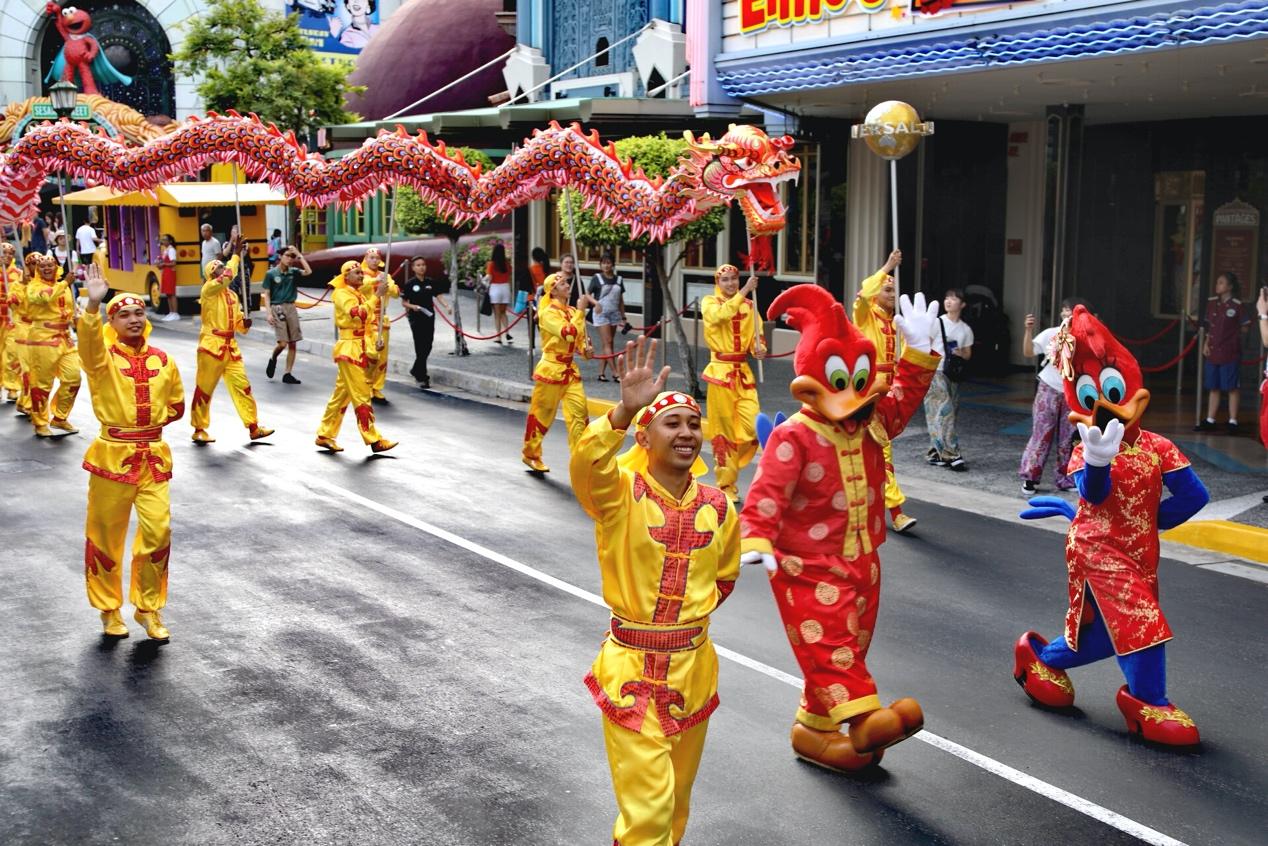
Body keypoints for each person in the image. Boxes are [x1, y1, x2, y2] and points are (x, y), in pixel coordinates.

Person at [741, 285, 941, 772]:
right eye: (838, 377)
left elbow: (902, 399)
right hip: (805, 563)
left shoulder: (872, 424)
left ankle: (814, 730)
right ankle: (864, 719)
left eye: (859, 377)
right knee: (830, 643)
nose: (852, 392)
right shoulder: (795, 436)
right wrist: (756, 537)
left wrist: (915, 353)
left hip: (863, 559)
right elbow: (767, 492)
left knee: (852, 639)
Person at [569, 336, 739, 846]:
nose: (687, 433)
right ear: (645, 437)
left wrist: (686, 621)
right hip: (633, 674)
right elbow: (586, 468)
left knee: (677, 805)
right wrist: (623, 410)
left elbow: (724, 577)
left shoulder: (720, 505)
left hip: (694, 671)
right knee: (649, 813)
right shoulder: (619, 494)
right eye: (673, 423)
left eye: (693, 423)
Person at [1014, 306, 1209, 746]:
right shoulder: (1088, 448)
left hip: (1139, 551)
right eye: (1089, 398)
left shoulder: (1159, 447)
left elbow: (1196, 496)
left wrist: (1147, 522)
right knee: (1144, 619)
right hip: (1097, 546)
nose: (1104, 405)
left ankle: (1042, 660)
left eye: (1114, 389)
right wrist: (1099, 462)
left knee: (1102, 636)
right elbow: (1094, 496)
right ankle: (1148, 702)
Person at [78, 263, 186, 641]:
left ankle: (148, 608)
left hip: (153, 459)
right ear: (113, 322)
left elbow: (176, 405)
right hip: (112, 457)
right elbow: (88, 349)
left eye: (139, 312)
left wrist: (148, 426)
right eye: (124, 314)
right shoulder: (102, 358)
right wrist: (92, 307)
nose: (134, 319)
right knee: (106, 535)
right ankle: (109, 609)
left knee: (158, 533)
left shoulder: (163, 360)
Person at [853, 249, 916, 532]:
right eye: (887, 289)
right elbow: (864, 293)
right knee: (883, 450)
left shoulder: (896, 323)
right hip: (868, 393)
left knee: (868, 453)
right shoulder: (865, 316)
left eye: (894, 290)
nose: (892, 294)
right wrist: (888, 266)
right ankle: (897, 511)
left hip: (890, 392)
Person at [190, 248, 274, 444]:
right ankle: (199, 428)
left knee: (243, 387)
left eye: (222, 266)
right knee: (204, 389)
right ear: (212, 275)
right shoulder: (209, 289)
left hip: (231, 347)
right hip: (211, 346)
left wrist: (243, 325)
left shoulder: (233, 297)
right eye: (218, 267)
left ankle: (253, 427)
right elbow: (230, 274)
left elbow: (237, 323)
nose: (222, 268)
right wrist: (236, 254)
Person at [701, 264, 765, 505]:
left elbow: (757, 335)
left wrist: (759, 349)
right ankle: (726, 483)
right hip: (720, 374)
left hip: (744, 375)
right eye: (725, 280)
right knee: (723, 432)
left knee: (752, 427)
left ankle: (732, 464)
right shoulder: (710, 303)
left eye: (734, 279)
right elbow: (720, 316)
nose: (730, 284)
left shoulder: (749, 306)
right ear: (718, 282)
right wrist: (745, 292)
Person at [316, 261, 396, 454]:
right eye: (357, 273)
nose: (362, 276)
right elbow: (358, 314)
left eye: (361, 272)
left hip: (359, 346)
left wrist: (374, 341)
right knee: (361, 394)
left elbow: (366, 323)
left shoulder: (358, 294)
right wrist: (376, 296)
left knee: (340, 397)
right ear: (346, 277)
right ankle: (374, 439)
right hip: (349, 348)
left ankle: (324, 435)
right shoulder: (342, 293)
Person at [521, 269, 597, 473]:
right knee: (542, 415)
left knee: (579, 414)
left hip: (570, 371)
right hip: (551, 371)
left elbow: (579, 340)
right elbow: (569, 333)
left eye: (566, 282)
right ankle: (531, 454)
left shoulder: (572, 311)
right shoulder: (547, 314)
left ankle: (580, 460)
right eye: (562, 284)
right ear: (552, 291)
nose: (567, 286)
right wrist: (581, 311)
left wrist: (586, 350)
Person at [1019, 298, 1089, 494]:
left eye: (1072, 312)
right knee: (1041, 434)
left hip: (1071, 393)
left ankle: (1066, 478)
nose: (1067, 315)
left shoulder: (1084, 340)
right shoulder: (1051, 334)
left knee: (1069, 438)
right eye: (1065, 311)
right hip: (1048, 388)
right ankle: (1030, 477)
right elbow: (1027, 352)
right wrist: (1028, 330)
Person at [24, 253, 82, 437]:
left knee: (73, 378)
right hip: (43, 339)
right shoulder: (33, 286)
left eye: (51, 265)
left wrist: (77, 319)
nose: (47, 268)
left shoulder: (64, 287)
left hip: (65, 338)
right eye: (42, 266)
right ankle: (40, 422)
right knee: (42, 383)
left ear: (57, 266)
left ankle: (60, 417)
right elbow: (43, 298)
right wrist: (66, 283)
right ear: (37, 270)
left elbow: (70, 311)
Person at [923, 287, 974, 471]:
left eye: (953, 298)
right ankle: (952, 454)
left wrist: (960, 352)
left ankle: (935, 452)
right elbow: (925, 344)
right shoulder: (937, 322)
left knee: (945, 413)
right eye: (947, 298)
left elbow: (968, 354)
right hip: (935, 370)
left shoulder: (965, 329)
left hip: (952, 373)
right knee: (944, 411)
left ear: (962, 304)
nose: (948, 301)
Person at [1194, 272, 1251, 432]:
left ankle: (1233, 421)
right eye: (1217, 282)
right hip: (1213, 350)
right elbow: (1209, 327)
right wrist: (1206, 343)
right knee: (1213, 386)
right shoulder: (1212, 304)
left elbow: (1246, 326)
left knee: (1231, 386)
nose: (1217, 285)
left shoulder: (1237, 305)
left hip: (1230, 352)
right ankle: (1210, 419)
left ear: (1229, 287)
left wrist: (1234, 336)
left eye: (1221, 283)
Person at [262, 245, 312, 384]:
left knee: (293, 342)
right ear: (280, 257)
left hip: (291, 307)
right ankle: (273, 358)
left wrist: (299, 255)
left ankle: (287, 373)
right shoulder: (271, 274)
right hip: (277, 308)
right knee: (282, 343)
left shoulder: (293, 271)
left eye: (292, 257)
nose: (290, 259)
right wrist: (268, 313)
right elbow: (267, 294)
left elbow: (308, 271)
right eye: (287, 256)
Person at [401, 256, 450, 389]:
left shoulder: (430, 282)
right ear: (413, 268)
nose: (421, 267)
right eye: (418, 265)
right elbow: (404, 302)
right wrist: (413, 307)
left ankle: (416, 369)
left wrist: (446, 305)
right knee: (420, 346)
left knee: (428, 345)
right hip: (416, 317)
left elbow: (438, 295)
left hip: (429, 316)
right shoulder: (410, 284)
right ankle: (422, 376)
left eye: (423, 265)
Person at [360, 247, 398, 403]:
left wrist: (388, 284)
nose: (374, 260)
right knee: (370, 354)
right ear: (366, 259)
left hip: (382, 319)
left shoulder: (385, 275)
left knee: (382, 357)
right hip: (367, 319)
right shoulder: (360, 274)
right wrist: (376, 281)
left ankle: (377, 387)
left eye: (377, 258)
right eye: (371, 257)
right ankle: (366, 385)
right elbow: (362, 286)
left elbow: (395, 293)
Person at [587, 251, 626, 381]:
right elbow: (587, 294)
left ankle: (601, 373)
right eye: (603, 263)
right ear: (600, 265)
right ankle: (616, 373)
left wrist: (623, 316)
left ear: (613, 264)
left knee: (608, 343)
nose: (606, 265)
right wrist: (595, 302)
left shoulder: (619, 279)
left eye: (608, 263)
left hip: (614, 314)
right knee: (608, 342)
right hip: (601, 313)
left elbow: (620, 300)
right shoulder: (596, 278)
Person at [1, 243, 22, 404]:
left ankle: (12, 387)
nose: (6, 256)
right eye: (3, 253)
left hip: (11, 319)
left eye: (9, 253)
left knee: (11, 354)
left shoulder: (19, 274)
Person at [485, 242, 513, 344]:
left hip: (495, 288)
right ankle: (507, 332)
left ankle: (498, 337)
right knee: (503, 313)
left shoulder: (491, 264)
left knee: (497, 314)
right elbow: (509, 277)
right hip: (505, 288)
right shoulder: (507, 264)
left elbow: (489, 278)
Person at [156, 233, 179, 321]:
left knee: (171, 293)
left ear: (170, 241)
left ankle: (175, 313)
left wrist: (164, 264)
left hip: (170, 272)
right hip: (165, 272)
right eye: (163, 239)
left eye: (165, 239)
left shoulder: (171, 250)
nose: (163, 241)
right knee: (168, 293)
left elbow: (173, 263)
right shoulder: (165, 250)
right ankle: (171, 312)